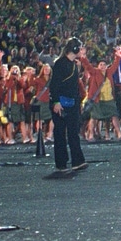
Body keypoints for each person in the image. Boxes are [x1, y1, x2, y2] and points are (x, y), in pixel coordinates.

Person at [48, 37, 88, 176]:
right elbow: (54, 85)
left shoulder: (73, 64)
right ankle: (61, 163)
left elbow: (74, 87)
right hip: (61, 103)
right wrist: (56, 102)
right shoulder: (60, 64)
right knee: (60, 134)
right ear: (75, 49)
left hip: (72, 103)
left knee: (73, 133)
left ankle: (77, 161)